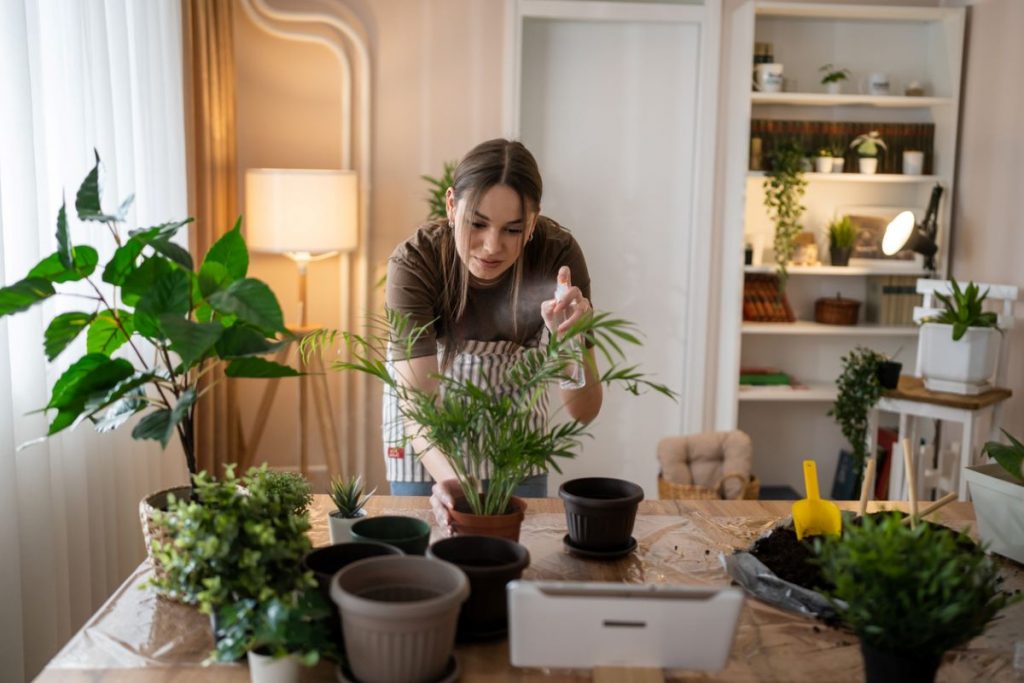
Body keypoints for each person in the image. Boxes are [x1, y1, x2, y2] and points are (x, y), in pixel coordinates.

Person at [383, 138, 603, 531]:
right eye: (477, 223)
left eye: (513, 229)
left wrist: (568, 340)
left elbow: (582, 412)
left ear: (533, 221)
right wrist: (450, 483)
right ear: (451, 206)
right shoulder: (416, 263)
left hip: (513, 446)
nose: (491, 246)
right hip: (426, 444)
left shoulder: (558, 258)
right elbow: (419, 407)